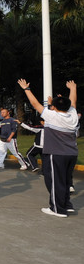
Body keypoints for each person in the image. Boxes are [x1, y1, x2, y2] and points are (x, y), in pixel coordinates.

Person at [18, 79, 78, 218]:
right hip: (71, 154)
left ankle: (58, 209)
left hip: (56, 154)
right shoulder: (73, 115)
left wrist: (26, 89)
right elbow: (73, 102)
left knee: (55, 181)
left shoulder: (51, 116)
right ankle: (66, 205)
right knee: (65, 180)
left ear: (54, 107)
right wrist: (73, 89)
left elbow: (34, 104)